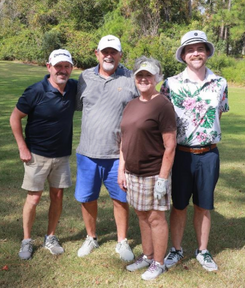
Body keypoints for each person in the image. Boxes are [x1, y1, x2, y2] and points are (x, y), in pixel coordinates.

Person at [161, 30, 229, 271]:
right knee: (179, 205)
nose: (196, 53)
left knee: (204, 204)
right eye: (190, 49)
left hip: (209, 154)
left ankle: (203, 251)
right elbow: (163, 120)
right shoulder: (170, 84)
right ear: (183, 55)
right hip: (180, 154)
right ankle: (176, 249)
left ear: (207, 52)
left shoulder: (220, 83)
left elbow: (217, 116)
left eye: (200, 48)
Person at [75, 35, 139, 261]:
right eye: (105, 52)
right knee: (87, 198)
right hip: (87, 153)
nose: (109, 55)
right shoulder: (84, 77)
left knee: (120, 199)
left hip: (118, 155)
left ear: (121, 54)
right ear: (97, 53)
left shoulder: (132, 78)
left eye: (114, 52)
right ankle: (91, 237)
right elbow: (76, 106)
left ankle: (122, 241)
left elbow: (145, 106)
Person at [10, 49, 77, 260]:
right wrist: (22, 147)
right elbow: (15, 117)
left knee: (57, 196)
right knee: (34, 197)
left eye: (66, 66)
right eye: (58, 66)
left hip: (62, 155)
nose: (62, 70)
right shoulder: (35, 91)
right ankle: (27, 240)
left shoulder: (73, 87)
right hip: (36, 154)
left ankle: (51, 236)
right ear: (49, 67)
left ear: (71, 68)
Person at [118, 56, 177, 280]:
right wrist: (122, 169)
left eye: (148, 75)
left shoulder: (162, 104)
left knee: (156, 218)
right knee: (142, 216)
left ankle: (159, 263)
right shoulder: (132, 104)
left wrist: (163, 178)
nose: (143, 79)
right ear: (134, 78)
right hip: (133, 172)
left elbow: (170, 145)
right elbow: (124, 139)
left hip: (154, 172)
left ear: (157, 78)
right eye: (140, 75)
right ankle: (148, 255)